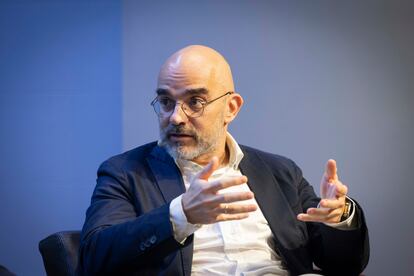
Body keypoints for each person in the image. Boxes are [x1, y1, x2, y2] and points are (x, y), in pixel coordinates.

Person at [79, 45, 369, 276]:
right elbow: (94, 257)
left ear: (231, 108)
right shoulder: (125, 172)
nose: (176, 117)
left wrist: (340, 217)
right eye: (166, 102)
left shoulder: (279, 172)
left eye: (195, 102)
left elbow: (344, 266)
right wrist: (181, 215)